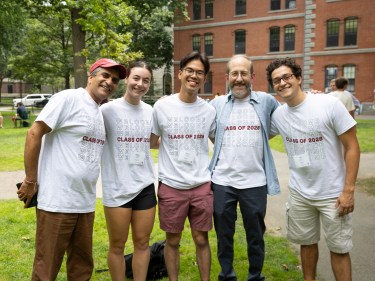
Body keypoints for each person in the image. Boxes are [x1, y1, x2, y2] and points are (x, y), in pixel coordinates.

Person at [16, 58, 126, 280]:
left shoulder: (99, 110)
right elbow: (34, 133)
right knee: (47, 268)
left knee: (82, 267)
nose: (109, 82)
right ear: (91, 76)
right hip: (57, 202)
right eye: (105, 75)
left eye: (114, 80)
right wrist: (30, 180)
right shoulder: (69, 98)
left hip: (84, 203)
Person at [266, 57, 360, 281]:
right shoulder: (278, 116)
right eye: (276, 80)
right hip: (300, 194)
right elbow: (255, 132)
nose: (282, 83)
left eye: (287, 77)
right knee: (306, 244)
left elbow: (352, 147)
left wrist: (348, 190)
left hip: (333, 194)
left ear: (298, 78)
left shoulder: (328, 104)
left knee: (339, 248)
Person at [209, 55, 280, 281]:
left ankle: (255, 276)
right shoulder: (216, 104)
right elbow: (212, 133)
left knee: (256, 235)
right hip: (222, 182)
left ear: (252, 76)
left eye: (244, 74)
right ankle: (227, 275)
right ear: (227, 77)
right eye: (234, 74)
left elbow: (285, 117)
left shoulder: (267, 101)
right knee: (224, 234)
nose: (239, 79)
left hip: (255, 183)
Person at [150, 51, 216, 281]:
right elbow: (152, 141)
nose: (194, 76)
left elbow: (218, 141)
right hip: (171, 184)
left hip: (201, 185)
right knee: (173, 240)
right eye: (190, 70)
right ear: (180, 74)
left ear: (204, 78)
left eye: (200, 72)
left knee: (201, 238)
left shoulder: (209, 110)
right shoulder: (162, 106)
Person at [100, 61, 156, 281]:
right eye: (136, 78)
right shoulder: (107, 110)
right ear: (126, 79)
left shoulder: (151, 112)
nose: (140, 84)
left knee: (142, 243)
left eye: (146, 80)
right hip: (117, 187)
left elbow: (155, 141)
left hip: (145, 186)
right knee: (117, 245)